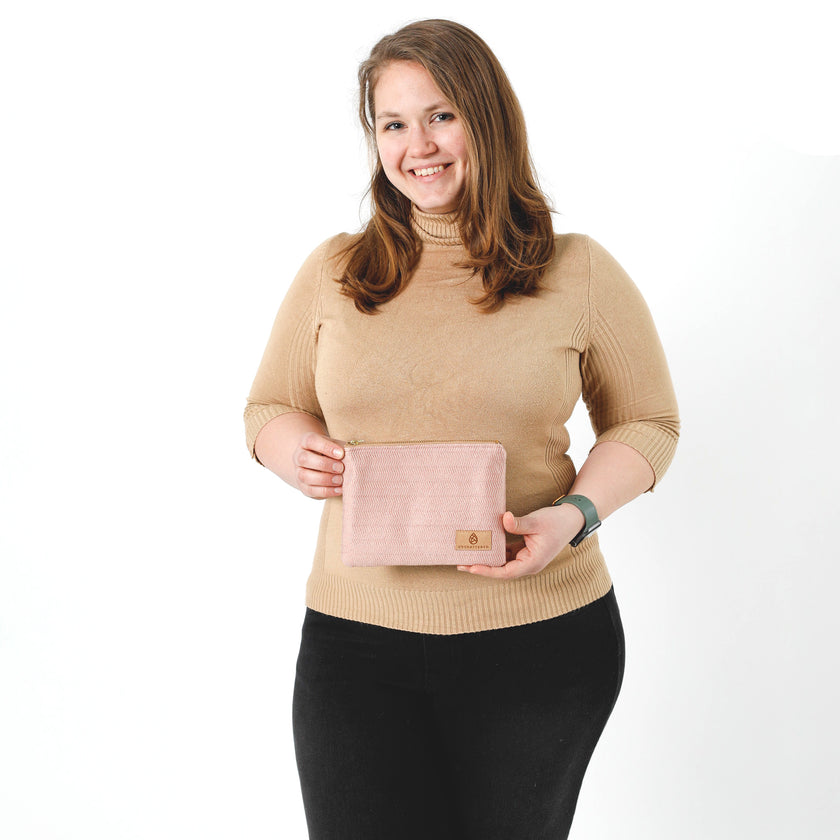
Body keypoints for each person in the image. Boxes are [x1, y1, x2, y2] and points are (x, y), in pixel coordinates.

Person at [244, 18, 679, 840]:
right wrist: (291, 452)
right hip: (356, 646)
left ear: (488, 118)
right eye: (393, 124)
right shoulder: (335, 271)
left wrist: (573, 519)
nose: (419, 146)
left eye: (441, 115)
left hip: (541, 645)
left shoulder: (576, 269)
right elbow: (268, 408)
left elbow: (647, 422)